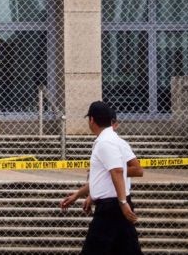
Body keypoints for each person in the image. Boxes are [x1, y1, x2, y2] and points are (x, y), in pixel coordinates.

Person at [60, 101, 142, 255]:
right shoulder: (111, 140)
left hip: (111, 208)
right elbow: (105, 177)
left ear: (91, 120)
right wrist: (82, 194)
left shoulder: (105, 143)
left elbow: (117, 171)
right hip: (114, 206)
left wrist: (123, 203)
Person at [62, 109, 144, 215]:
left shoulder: (114, 143)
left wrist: (111, 171)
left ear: (91, 120)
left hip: (113, 203)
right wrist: (80, 195)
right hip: (110, 202)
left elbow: (137, 170)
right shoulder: (103, 142)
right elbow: (103, 178)